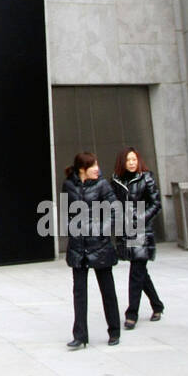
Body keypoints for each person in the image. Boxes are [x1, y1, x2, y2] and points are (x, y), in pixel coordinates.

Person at [64, 151, 122, 349]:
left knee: (107, 290)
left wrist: (102, 229)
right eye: (93, 166)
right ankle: (80, 335)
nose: (97, 169)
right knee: (79, 292)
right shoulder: (68, 185)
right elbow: (67, 213)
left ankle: (114, 331)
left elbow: (116, 209)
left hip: (100, 245)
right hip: (78, 246)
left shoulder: (102, 185)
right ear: (82, 169)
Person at [110, 147, 163, 329]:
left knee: (136, 271)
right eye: (128, 160)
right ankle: (157, 305)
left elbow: (156, 203)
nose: (132, 163)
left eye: (134, 159)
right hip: (125, 229)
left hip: (142, 229)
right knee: (140, 272)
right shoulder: (116, 180)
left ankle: (131, 313)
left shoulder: (146, 177)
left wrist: (140, 218)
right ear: (122, 163)